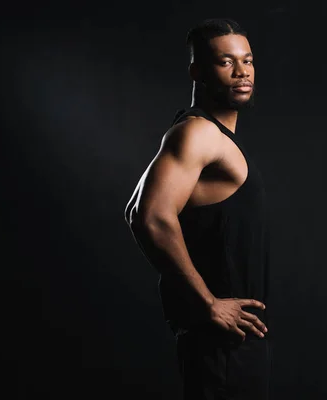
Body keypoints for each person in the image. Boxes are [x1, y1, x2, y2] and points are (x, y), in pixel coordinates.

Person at [124, 18, 272, 400]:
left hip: (238, 341)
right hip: (220, 343)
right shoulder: (198, 133)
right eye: (226, 62)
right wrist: (207, 304)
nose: (242, 72)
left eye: (248, 60)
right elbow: (147, 214)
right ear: (197, 71)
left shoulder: (214, 137)